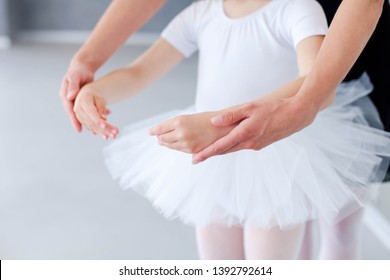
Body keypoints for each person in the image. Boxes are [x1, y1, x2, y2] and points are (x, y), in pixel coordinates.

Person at [72, 0, 390, 259]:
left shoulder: (298, 8)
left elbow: (316, 84)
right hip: (211, 165)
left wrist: (220, 122)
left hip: (275, 162)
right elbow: (140, 71)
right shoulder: (201, 13)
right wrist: (96, 91)